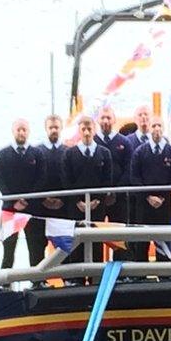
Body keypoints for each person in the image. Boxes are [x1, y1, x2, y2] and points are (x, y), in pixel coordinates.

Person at [0, 118, 48, 270]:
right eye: (18, 129)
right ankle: (5, 282)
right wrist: (14, 201)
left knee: (35, 247)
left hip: (32, 208)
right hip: (10, 209)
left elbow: (41, 178)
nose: (21, 132)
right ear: (13, 131)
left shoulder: (37, 154)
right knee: (8, 248)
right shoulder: (3, 155)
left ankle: (37, 280)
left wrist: (27, 200)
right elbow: (0, 180)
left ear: (28, 132)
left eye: (24, 129)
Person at [129, 116, 171, 262]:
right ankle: (141, 278)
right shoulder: (139, 152)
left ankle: (165, 278)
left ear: (163, 128)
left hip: (164, 206)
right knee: (141, 244)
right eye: (154, 125)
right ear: (149, 128)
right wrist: (148, 197)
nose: (157, 129)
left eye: (159, 125)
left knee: (165, 243)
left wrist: (163, 197)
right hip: (143, 207)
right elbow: (134, 178)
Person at [61, 115, 113, 269]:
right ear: (79, 131)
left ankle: (95, 275)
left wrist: (97, 200)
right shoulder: (69, 154)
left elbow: (107, 179)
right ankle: (77, 277)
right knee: (77, 240)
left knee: (96, 240)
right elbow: (66, 179)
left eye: (89, 129)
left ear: (94, 130)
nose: (86, 132)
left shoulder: (104, 153)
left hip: (97, 206)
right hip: (76, 207)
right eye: (83, 129)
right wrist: (78, 201)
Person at [94, 107, 135, 230]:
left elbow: (129, 168)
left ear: (114, 120)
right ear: (97, 120)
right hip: (96, 199)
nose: (105, 121)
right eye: (102, 117)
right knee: (95, 236)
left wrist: (115, 191)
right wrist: (102, 192)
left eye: (108, 117)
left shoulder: (125, 142)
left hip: (120, 198)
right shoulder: (92, 142)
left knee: (120, 238)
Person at [37, 114, 70, 220]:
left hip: (64, 205)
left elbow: (71, 177)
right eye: (51, 128)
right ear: (46, 129)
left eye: (56, 127)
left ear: (61, 129)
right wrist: (43, 199)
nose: (54, 130)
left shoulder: (69, 151)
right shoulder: (37, 151)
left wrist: (63, 200)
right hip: (41, 205)